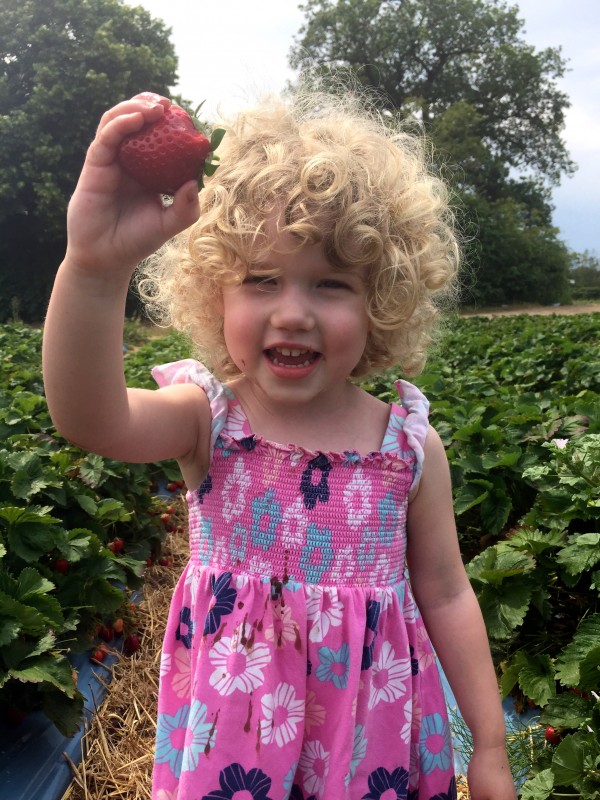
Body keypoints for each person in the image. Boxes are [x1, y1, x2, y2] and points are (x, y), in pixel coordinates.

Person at [43, 88, 516, 800]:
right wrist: (93, 266)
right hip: (233, 748)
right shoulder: (210, 420)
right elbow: (89, 416)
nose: (292, 313)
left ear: (381, 299)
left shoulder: (408, 449)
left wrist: (489, 743)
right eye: (261, 280)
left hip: (367, 744)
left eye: (331, 284)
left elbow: (447, 595)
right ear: (216, 292)